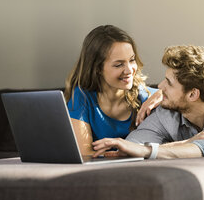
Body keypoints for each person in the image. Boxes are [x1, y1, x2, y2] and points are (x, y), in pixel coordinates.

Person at [64, 25, 162, 156]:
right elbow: (85, 154)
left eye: (132, 60)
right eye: (119, 64)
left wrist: (162, 93)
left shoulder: (146, 97)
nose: (129, 70)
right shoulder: (82, 97)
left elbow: (186, 94)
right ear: (97, 68)